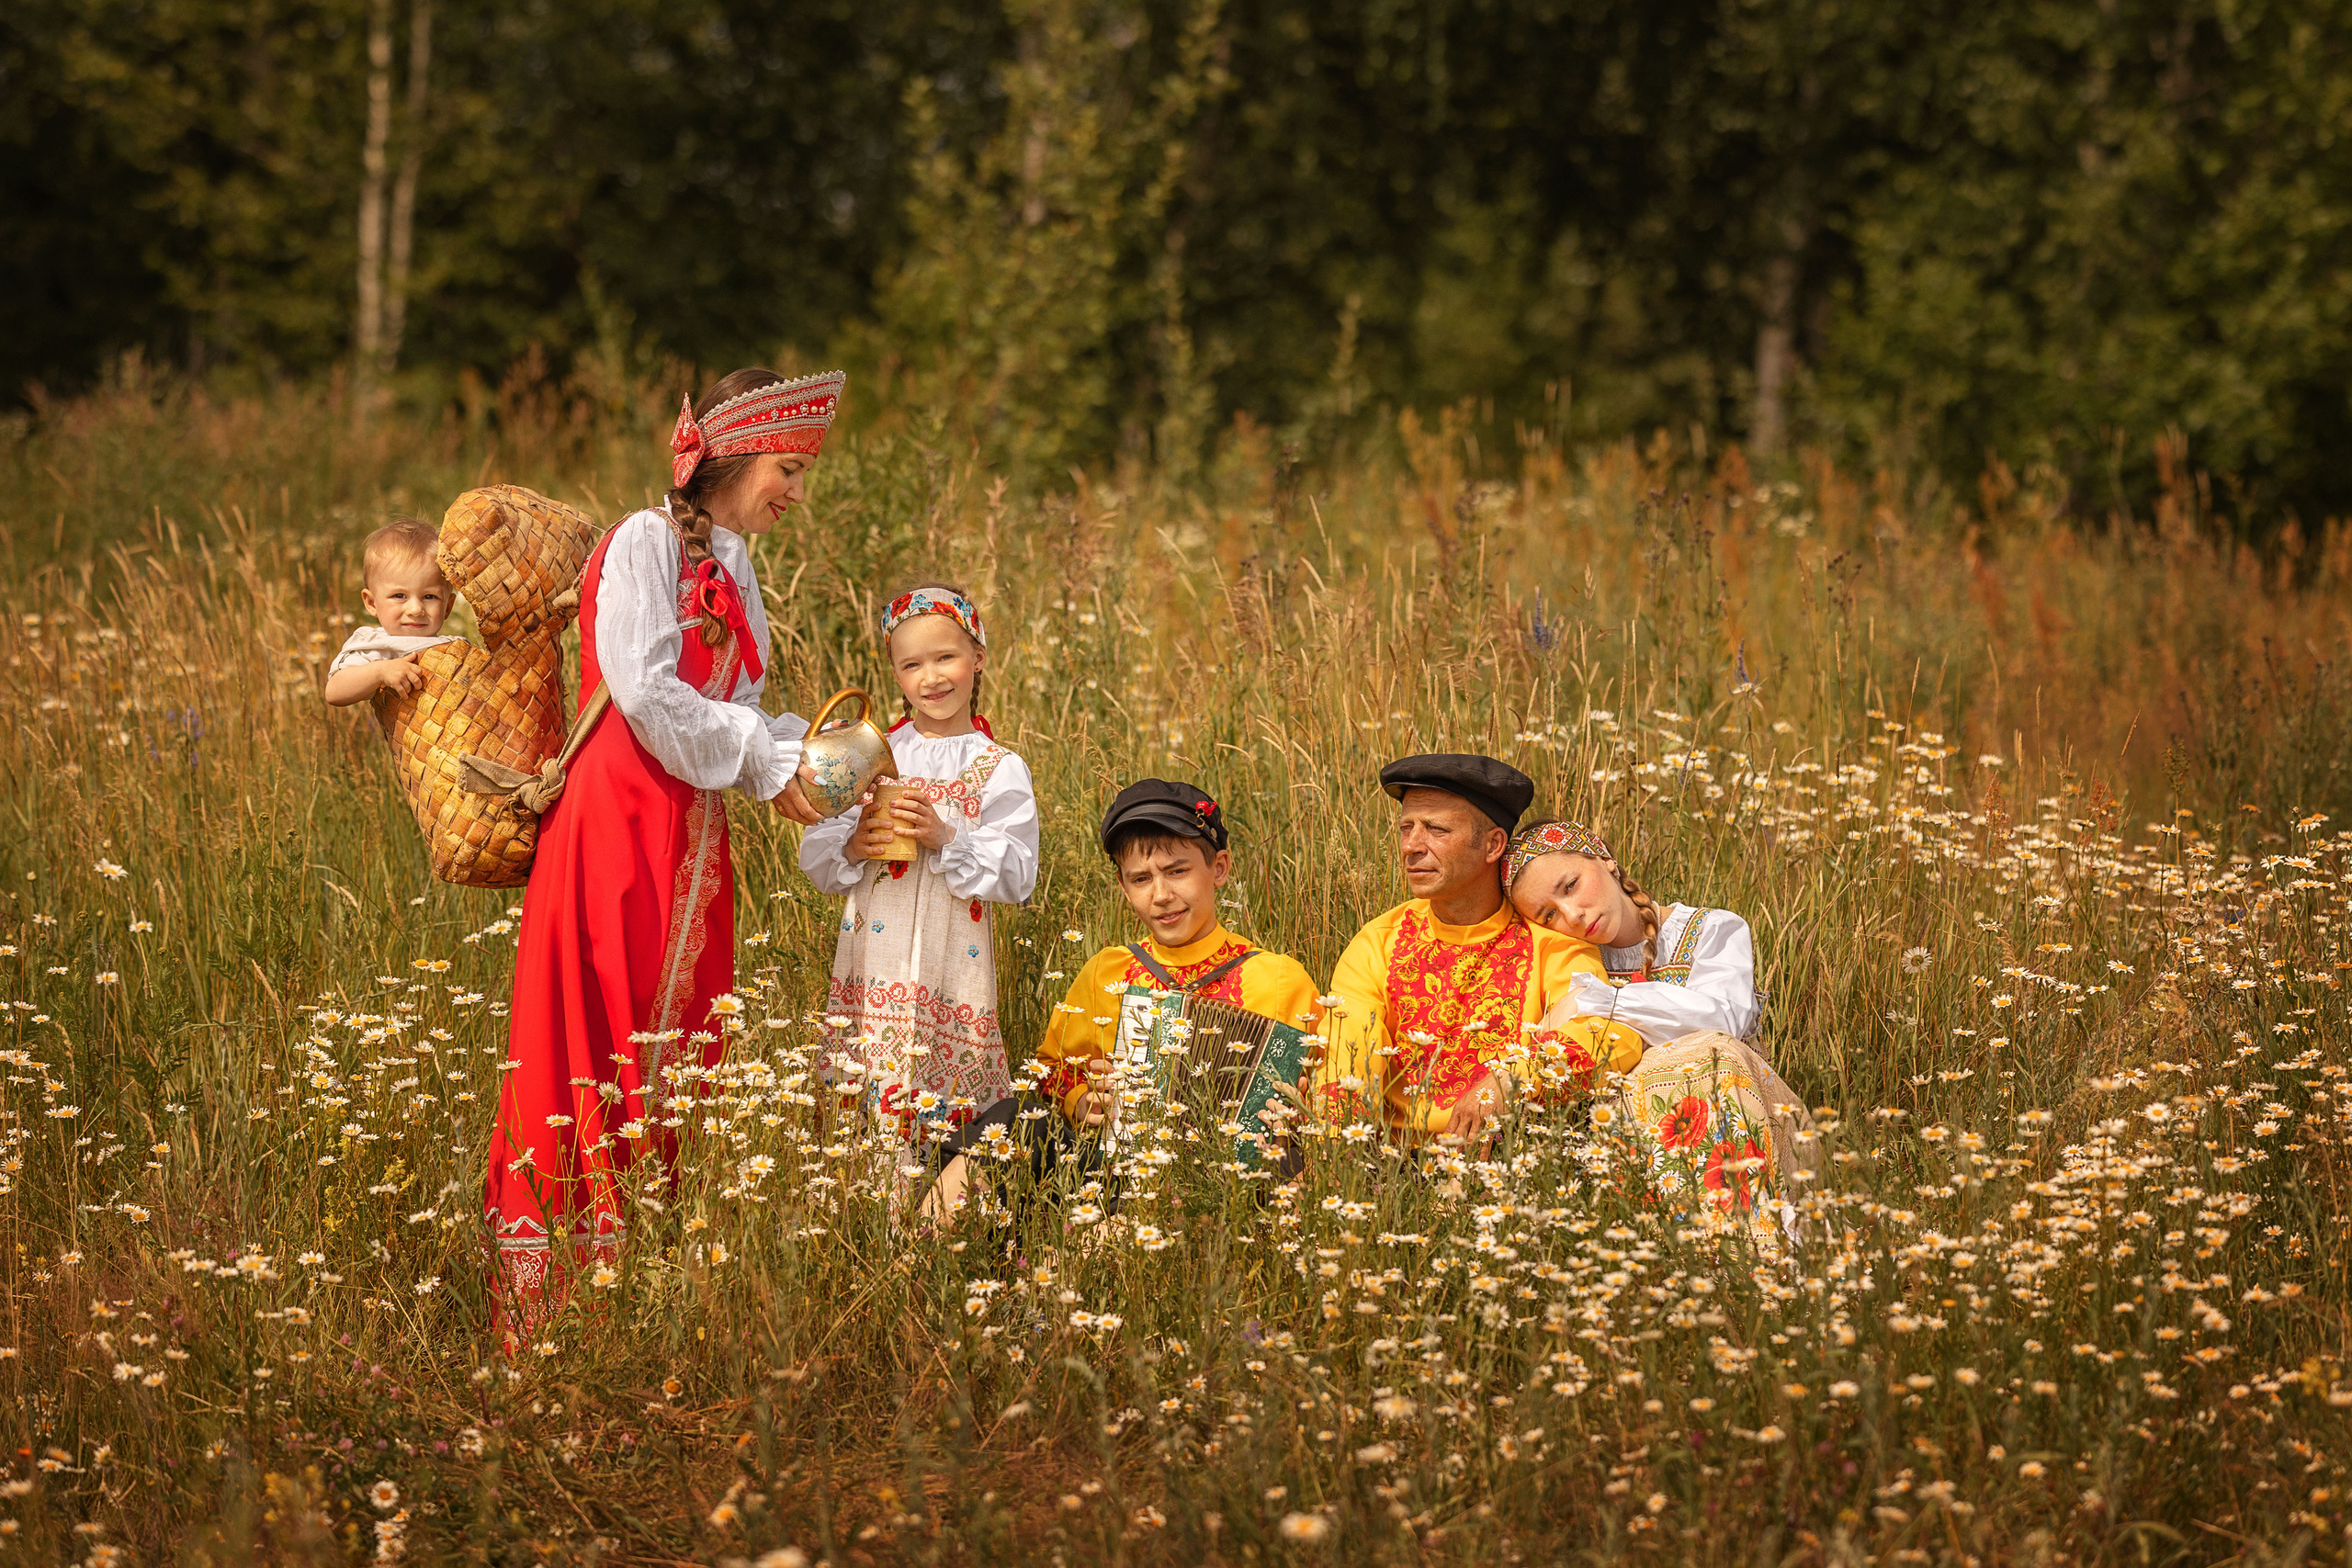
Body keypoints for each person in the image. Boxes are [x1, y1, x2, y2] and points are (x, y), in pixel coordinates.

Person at [484, 367, 837, 1335]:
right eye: (787, 470)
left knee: (672, 1029)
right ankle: (552, 1298)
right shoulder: (643, 542)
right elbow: (643, 694)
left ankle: (636, 1279)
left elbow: (741, 709)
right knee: (595, 1027)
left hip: (690, 826)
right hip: (617, 816)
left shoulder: (736, 559)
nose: (794, 493)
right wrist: (764, 765)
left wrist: (804, 759)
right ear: (735, 455)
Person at [920, 780, 1323, 1219]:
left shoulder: (1277, 978)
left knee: (1294, 1165)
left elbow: (1329, 1088)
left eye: (1177, 871)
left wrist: (1304, 1104)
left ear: (1219, 867)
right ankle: (928, 1249)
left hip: (1233, 1191)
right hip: (1112, 1177)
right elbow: (1049, 1075)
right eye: (1141, 879)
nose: (1161, 895)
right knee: (1017, 1116)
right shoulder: (1107, 972)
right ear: (1124, 886)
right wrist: (1080, 1101)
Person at [797, 580, 1038, 1151]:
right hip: (873, 958)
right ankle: (871, 1215)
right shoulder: (870, 751)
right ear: (895, 672)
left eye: (946, 657)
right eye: (912, 664)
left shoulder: (998, 767)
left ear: (977, 658)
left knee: (945, 1093)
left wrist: (946, 835)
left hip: (952, 960)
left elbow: (1019, 872)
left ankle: (947, 1202)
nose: (931, 677)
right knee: (870, 1083)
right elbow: (818, 851)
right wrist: (855, 844)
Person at [1314, 754, 1637, 1148]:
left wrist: (1509, 1080)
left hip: (1508, 1166)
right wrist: (1331, 1153)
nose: (1412, 846)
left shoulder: (1551, 944)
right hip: (1389, 1168)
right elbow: (1348, 1051)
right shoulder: (1379, 940)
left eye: (1436, 829)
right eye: (1406, 828)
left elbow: (1608, 1033)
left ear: (1492, 844)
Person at [1504, 818, 1819, 1214]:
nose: (1573, 914)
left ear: (1605, 860)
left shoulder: (1711, 928)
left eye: (1571, 886)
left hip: (1745, 1118)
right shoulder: (1571, 967)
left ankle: (1756, 1232)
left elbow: (1725, 1021)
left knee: (1712, 1055)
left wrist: (1604, 1000)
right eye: (1548, 915)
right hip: (1647, 1145)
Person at [322, 518, 465, 706]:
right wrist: (380, 672)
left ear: (447, 606)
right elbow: (334, 692)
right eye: (399, 596)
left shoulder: (455, 647)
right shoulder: (379, 648)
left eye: (429, 597)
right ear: (372, 603)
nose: (415, 610)